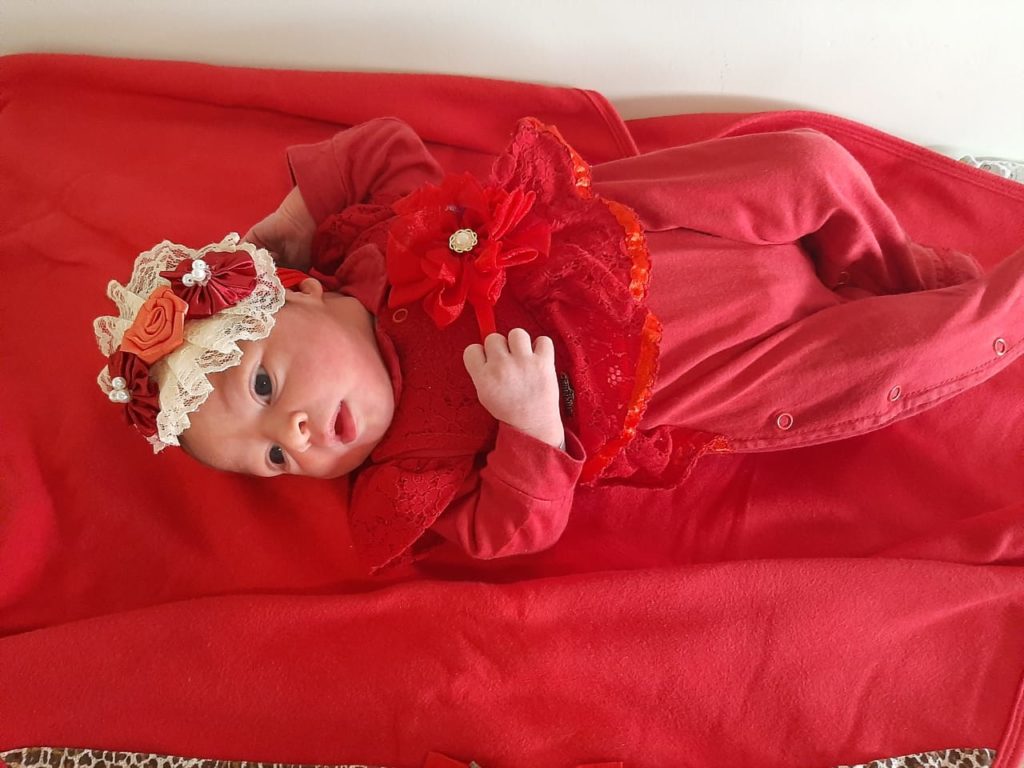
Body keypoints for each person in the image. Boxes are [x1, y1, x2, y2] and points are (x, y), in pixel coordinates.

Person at [94, 116, 1024, 572]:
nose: (295, 439)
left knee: (809, 162)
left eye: (265, 387)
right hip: (715, 369)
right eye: (270, 461)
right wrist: (530, 430)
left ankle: (889, 266)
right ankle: (987, 306)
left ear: (302, 291)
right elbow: (509, 530)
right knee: (898, 358)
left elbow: (377, 148)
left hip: (661, 230)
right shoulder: (407, 471)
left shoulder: (369, 245)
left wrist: (290, 221)